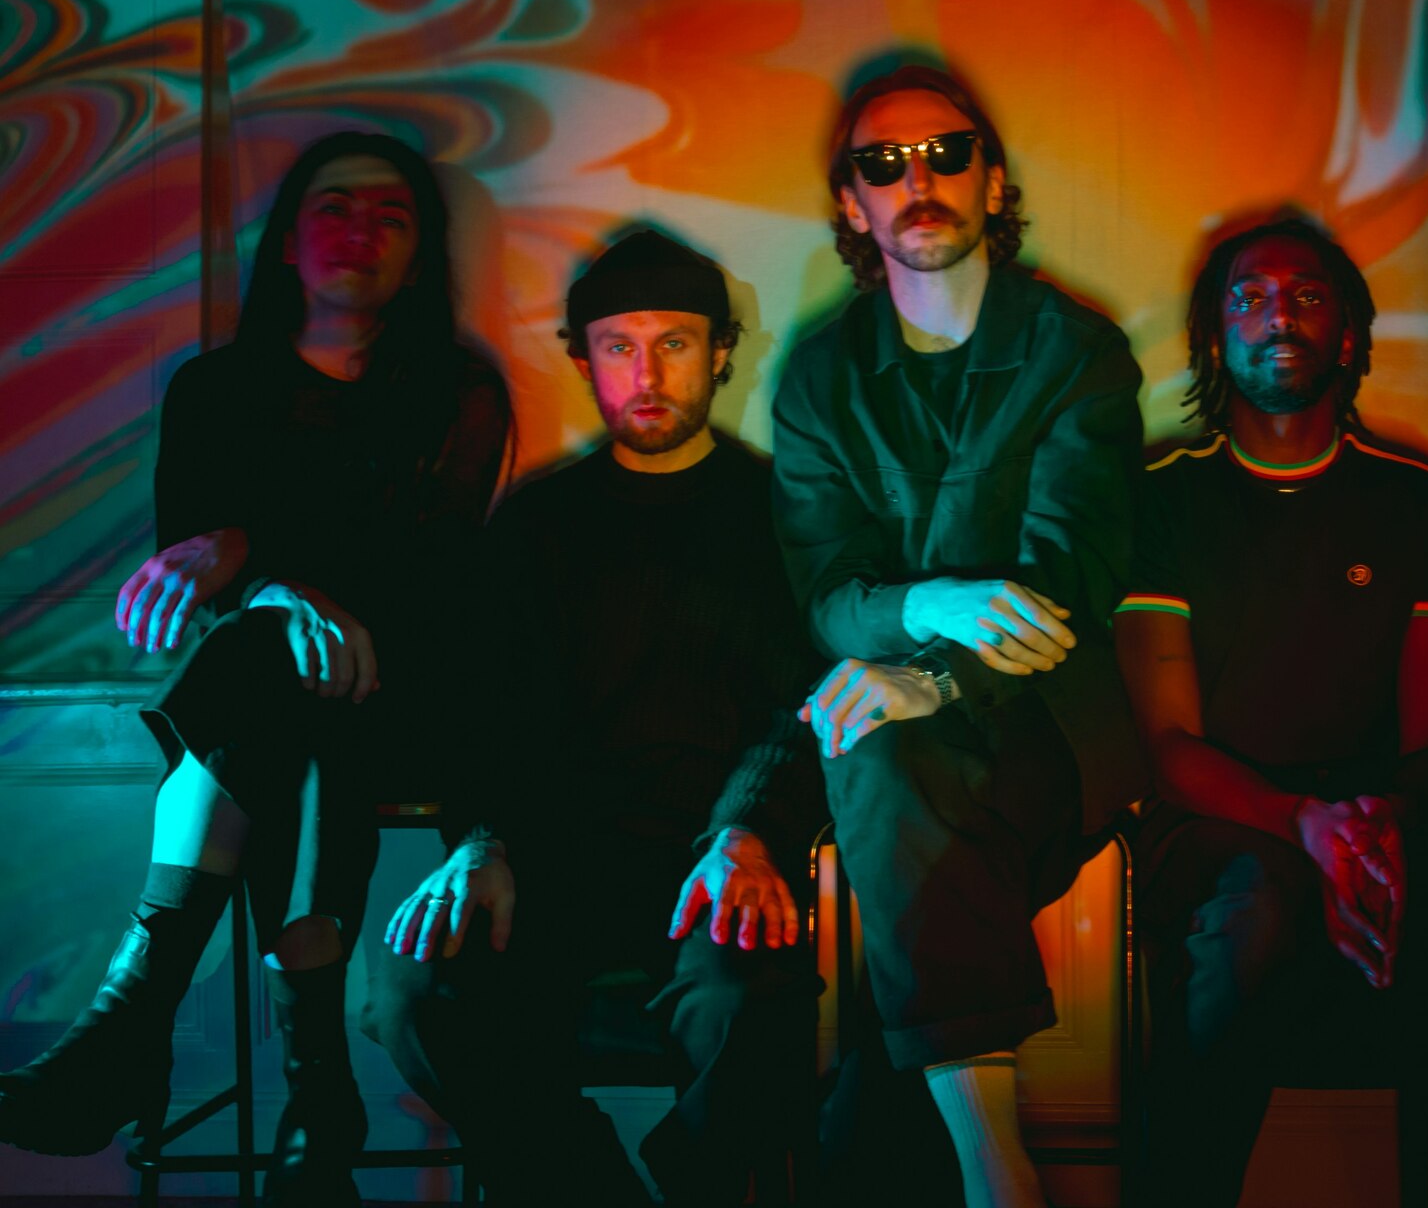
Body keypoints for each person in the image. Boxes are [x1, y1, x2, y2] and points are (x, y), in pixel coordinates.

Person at [0, 131, 512, 1207]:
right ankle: (319, 1100)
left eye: (392, 216)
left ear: (417, 258)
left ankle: (131, 1025)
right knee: (281, 682)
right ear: (287, 241)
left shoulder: (458, 394)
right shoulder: (215, 391)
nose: (361, 230)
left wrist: (257, 556)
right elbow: (194, 570)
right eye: (335, 207)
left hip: (412, 694)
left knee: (278, 671)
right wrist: (274, 588)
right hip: (276, 714)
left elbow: (427, 570)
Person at [1116, 213, 1428, 1206]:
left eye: (1307, 296)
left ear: (1350, 337)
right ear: (1214, 339)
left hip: (1377, 818)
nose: (1278, 314)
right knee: (1252, 910)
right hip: (1218, 822)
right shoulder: (1157, 500)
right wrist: (1300, 824)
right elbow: (1170, 745)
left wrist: (1378, 828)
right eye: (1249, 298)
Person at [360, 230, 825, 1207]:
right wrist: (482, 838)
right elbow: (483, 713)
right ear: (583, 359)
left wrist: (747, 831)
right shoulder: (535, 525)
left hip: (716, 860)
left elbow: (805, 702)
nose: (647, 374)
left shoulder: (783, 516)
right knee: (412, 988)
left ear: (721, 352)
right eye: (620, 346)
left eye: (675, 343)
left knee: (746, 1003)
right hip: (555, 864)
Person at [771, 64, 1146, 1208]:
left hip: (1050, 733)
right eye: (883, 165)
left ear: (992, 182)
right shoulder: (819, 377)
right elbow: (826, 592)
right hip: (893, 740)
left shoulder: (1077, 351)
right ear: (852, 205)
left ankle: (969, 1168)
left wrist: (929, 677)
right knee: (878, 752)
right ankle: (996, 1166)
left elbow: (1070, 580)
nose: (917, 180)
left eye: (946, 153)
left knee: (885, 757)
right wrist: (927, 609)